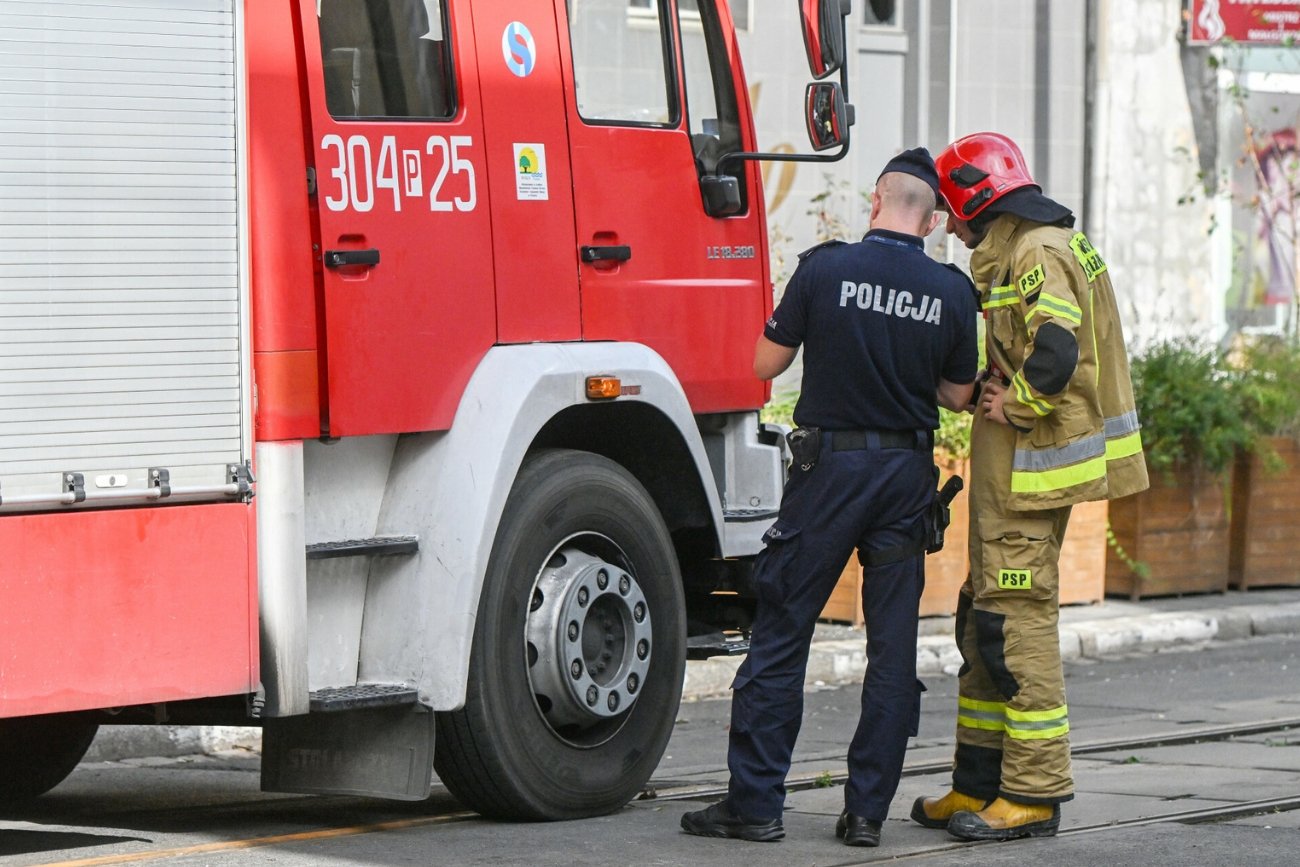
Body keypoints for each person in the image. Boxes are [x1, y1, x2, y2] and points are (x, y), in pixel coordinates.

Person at [680, 148, 979, 846]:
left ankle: (756, 803)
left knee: (784, 632)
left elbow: (766, 362)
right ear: (933, 219)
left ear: (877, 198)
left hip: (828, 474)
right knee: (892, 648)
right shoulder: (950, 291)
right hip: (905, 477)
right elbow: (959, 395)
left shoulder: (825, 268)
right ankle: (867, 812)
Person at [912, 132, 1149, 841]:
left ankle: (1034, 794)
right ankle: (978, 785)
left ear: (981, 201)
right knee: (984, 623)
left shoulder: (1035, 251)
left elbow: (1059, 351)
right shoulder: (1032, 245)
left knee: (1016, 626)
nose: (952, 225)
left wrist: (1013, 405)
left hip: (1032, 467)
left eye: (955, 211)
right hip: (1013, 472)